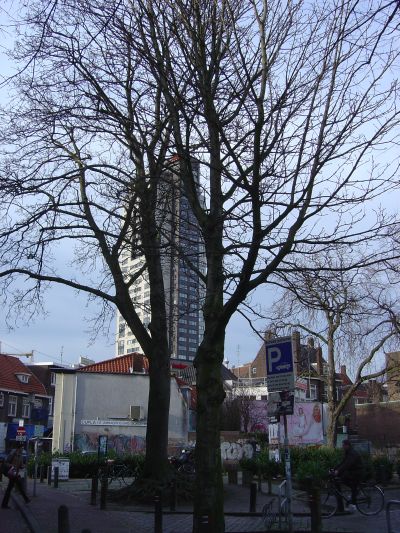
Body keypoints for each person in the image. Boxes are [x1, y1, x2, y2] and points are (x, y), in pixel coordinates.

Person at [333, 439, 364, 511]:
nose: (342, 447)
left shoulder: (352, 453)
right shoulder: (348, 452)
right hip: (353, 472)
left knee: (343, 479)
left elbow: (347, 464)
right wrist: (334, 469)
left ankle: (353, 504)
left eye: (343, 445)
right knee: (344, 480)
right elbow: (343, 462)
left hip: (357, 472)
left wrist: (338, 471)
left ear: (347, 445)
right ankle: (355, 494)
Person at [1, 443, 30, 509]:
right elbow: (6, 463)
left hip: (15, 474)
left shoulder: (20, 456)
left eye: (23, 449)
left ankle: (26, 499)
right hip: (11, 473)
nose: (22, 450)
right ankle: (26, 499)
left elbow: (20, 465)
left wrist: (23, 466)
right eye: (22, 448)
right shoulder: (13, 453)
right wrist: (11, 466)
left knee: (17, 487)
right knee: (16, 487)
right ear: (18, 448)